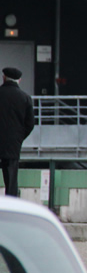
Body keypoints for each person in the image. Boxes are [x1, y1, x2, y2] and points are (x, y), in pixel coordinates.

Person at [0, 67, 34, 197]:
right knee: (11, 180)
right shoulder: (25, 98)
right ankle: (11, 206)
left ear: (4, 77)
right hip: (13, 144)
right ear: (19, 80)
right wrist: (19, 137)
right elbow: (30, 124)